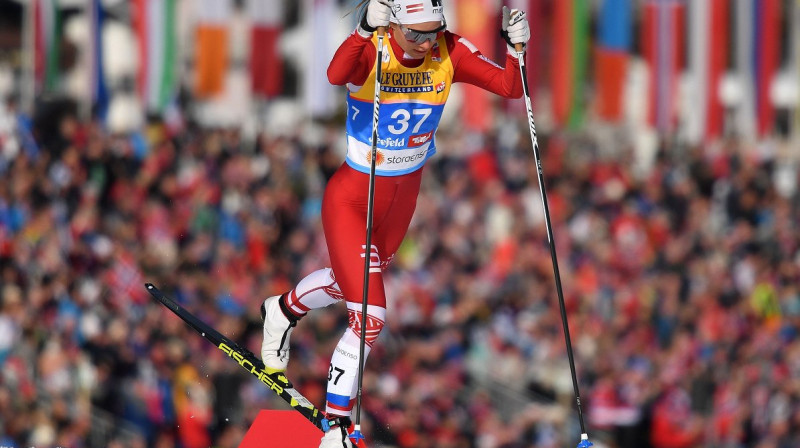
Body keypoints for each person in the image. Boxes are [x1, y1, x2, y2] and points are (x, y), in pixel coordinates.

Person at [260, 0, 530, 446]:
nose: (426, 43)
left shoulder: (449, 50)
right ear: (396, 24)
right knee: (369, 314)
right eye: (417, 34)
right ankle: (338, 426)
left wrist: (515, 47)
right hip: (353, 197)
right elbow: (334, 75)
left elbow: (508, 87)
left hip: (402, 197)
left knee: (355, 283)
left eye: (433, 31)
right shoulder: (375, 48)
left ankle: (284, 309)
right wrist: (364, 31)